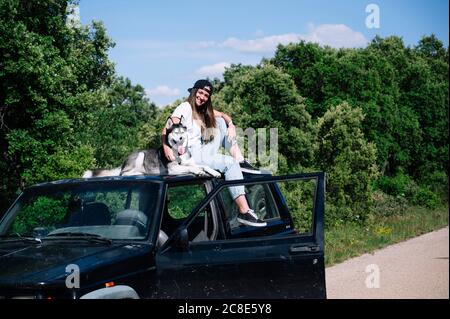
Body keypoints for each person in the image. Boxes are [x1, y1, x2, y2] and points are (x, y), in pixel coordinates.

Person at [161, 79, 266, 227]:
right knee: (229, 163)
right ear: (194, 91)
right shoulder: (185, 107)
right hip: (189, 154)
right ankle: (244, 211)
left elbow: (223, 115)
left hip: (200, 151)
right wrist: (166, 146)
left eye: (206, 95)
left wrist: (231, 125)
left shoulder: (202, 111)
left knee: (221, 123)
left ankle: (240, 160)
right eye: (201, 93)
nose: (202, 97)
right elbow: (169, 125)